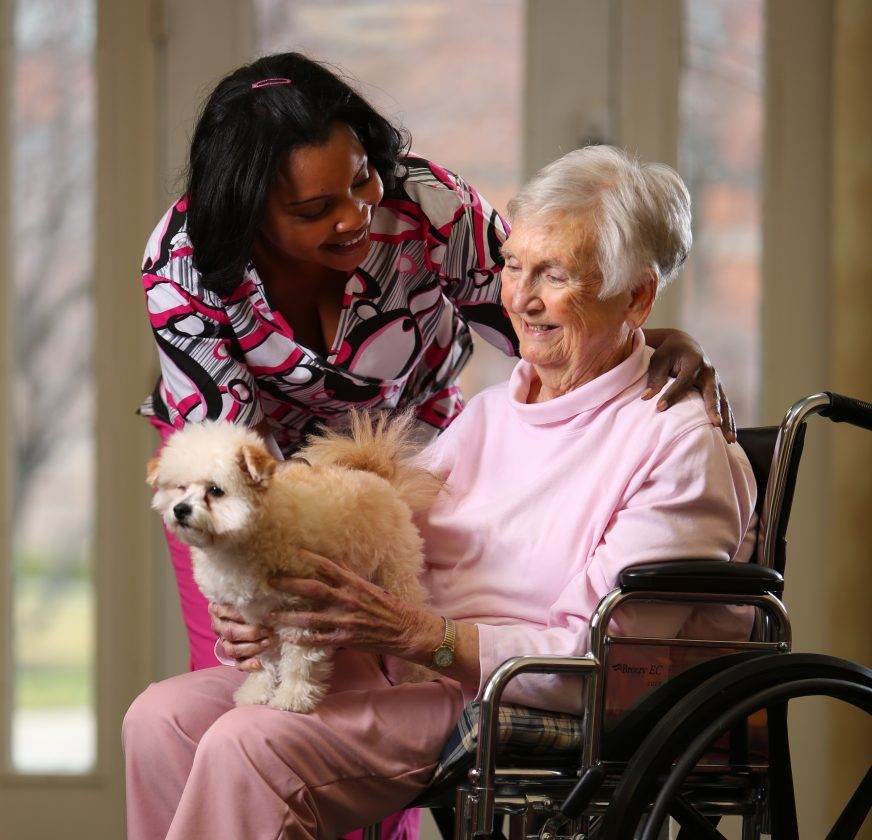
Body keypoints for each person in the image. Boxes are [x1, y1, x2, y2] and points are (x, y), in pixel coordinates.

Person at [124, 144, 757, 839]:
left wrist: (420, 635)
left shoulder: (675, 444)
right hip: (395, 665)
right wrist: (266, 613)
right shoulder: (490, 416)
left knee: (250, 743)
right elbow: (371, 541)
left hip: (503, 694)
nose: (522, 298)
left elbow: (607, 662)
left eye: (556, 275)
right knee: (159, 719)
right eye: (514, 266)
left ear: (637, 294)